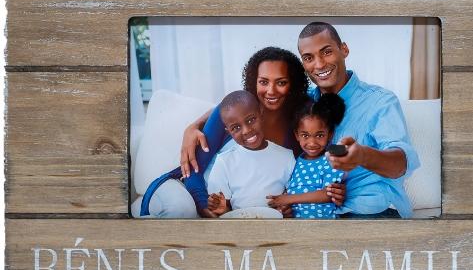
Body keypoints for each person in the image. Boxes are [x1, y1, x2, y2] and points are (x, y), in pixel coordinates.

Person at [140, 46, 344, 218]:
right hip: (189, 188)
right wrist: (204, 206)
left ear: (293, 85)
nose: (271, 90)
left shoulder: (302, 120)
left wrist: (333, 188)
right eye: (263, 81)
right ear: (254, 81)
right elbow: (194, 170)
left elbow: (300, 170)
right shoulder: (238, 111)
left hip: (236, 208)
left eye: (281, 82)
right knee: (180, 210)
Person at [296, 22, 420, 218]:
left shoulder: (380, 101)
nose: (319, 64)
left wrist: (363, 156)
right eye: (309, 58)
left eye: (326, 52)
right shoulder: (304, 106)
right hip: (321, 213)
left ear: (344, 49)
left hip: (371, 210)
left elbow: (401, 165)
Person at [205, 90, 296, 217]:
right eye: (236, 128)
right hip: (240, 229)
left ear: (261, 113)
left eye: (251, 120)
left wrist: (288, 207)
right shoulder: (224, 162)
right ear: (228, 132)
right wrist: (221, 209)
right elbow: (224, 212)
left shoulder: (286, 157)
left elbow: (293, 199)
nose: (247, 131)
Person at [266, 93, 345, 219]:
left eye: (319, 135)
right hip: (297, 228)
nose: (312, 143)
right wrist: (285, 207)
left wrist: (288, 199)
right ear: (297, 135)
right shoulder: (296, 161)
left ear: (330, 134)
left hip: (323, 227)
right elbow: (291, 191)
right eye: (305, 135)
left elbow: (328, 194)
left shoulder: (331, 159)